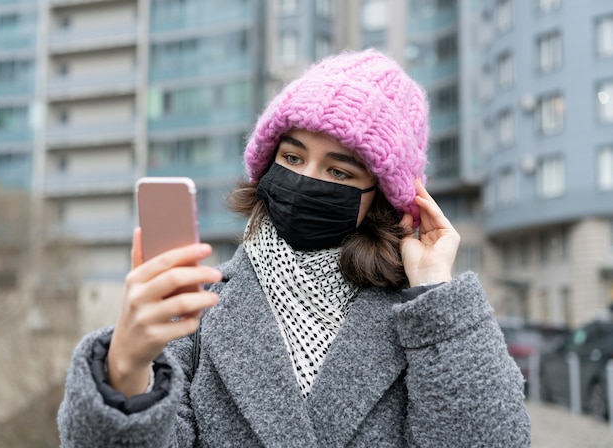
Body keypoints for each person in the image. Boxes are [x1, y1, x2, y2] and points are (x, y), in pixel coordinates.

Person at [58, 49, 531, 447]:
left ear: (384, 198)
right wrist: (126, 366)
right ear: (267, 164)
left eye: (340, 172)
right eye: (292, 157)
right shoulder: (200, 304)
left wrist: (433, 294)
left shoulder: (421, 320)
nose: (306, 180)